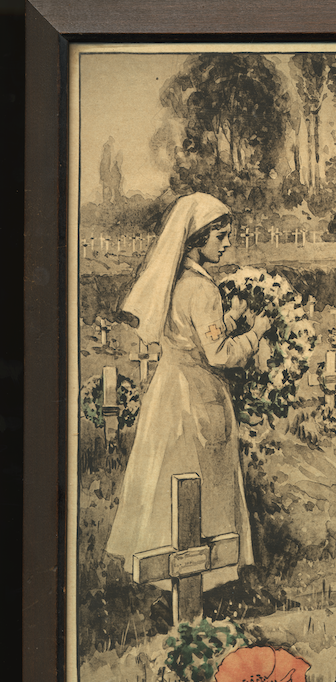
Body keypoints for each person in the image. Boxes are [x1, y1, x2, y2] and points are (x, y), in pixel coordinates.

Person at [106, 192, 271, 586]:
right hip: (197, 395)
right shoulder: (202, 289)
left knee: (165, 475)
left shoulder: (176, 281)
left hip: (168, 390)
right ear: (197, 239)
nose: (227, 243)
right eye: (220, 236)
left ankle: (159, 574)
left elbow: (191, 337)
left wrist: (229, 321)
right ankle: (206, 578)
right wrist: (255, 334)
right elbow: (217, 355)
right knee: (200, 477)